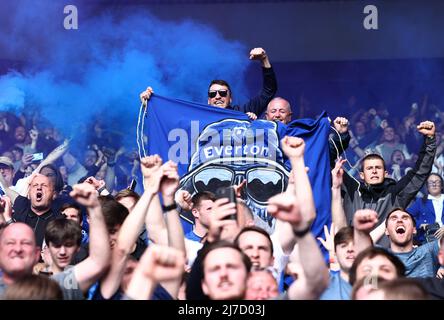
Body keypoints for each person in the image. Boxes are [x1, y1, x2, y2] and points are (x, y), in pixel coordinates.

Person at [334, 120, 437, 245]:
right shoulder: (352, 190)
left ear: (385, 173)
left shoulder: (395, 193)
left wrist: (430, 140)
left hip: (387, 258)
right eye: (369, 168)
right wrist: (341, 135)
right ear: (361, 175)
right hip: (355, 256)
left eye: (378, 168)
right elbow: (326, 164)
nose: (374, 171)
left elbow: (420, 172)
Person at [139, 47, 277, 119]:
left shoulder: (243, 113)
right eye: (213, 94)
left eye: (223, 93)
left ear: (231, 98)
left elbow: (268, 91)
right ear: (208, 100)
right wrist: (149, 105)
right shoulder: (197, 115)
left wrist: (264, 59)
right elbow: (169, 119)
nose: (218, 96)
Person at [50, 182, 111, 299]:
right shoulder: (41, 280)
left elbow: (98, 261)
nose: (62, 251)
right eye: (57, 246)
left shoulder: (89, 244)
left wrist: (94, 207)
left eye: (73, 216)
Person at [384, 208, 442, 278]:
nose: (399, 220)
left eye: (405, 218)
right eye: (394, 218)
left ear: (414, 230)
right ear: (386, 231)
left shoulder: (428, 251)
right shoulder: (380, 256)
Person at [11, 174, 63, 247]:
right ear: (28, 193)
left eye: (44, 185)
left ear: (53, 194)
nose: (39, 188)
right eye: (35, 185)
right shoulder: (18, 215)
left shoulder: (59, 222)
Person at [407, 173, 444, 244]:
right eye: (431, 182)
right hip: (426, 239)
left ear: (442, 185)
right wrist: (420, 224)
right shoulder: (421, 201)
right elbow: (406, 216)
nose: (434, 184)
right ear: (427, 187)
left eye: (437, 181)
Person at [184, 191, 215, 267]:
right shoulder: (185, 242)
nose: (214, 212)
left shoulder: (221, 239)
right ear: (195, 212)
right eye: (209, 209)